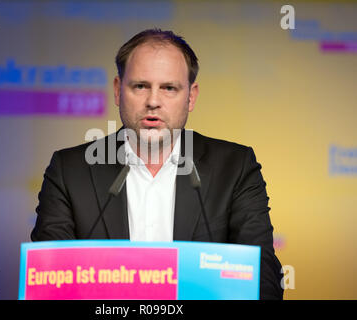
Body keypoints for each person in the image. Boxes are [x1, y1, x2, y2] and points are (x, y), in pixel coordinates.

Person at [31, 29, 284, 300]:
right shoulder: (69, 171)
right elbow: (51, 283)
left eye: (169, 88)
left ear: (191, 96)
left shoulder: (235, 168)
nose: (153, 101)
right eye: (140, 86)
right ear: (118, 90)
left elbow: (261, 276)